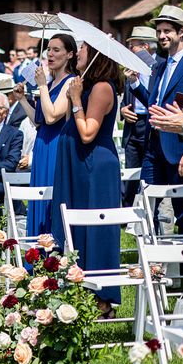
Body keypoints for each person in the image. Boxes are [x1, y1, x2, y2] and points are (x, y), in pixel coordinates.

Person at [50, 42, 123, 316]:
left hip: (96, 168)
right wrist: (72, 98)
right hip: (79, 166)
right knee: (77, 229)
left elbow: (88, 133)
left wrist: (78, 99)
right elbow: (71, 121)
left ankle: (102, 299)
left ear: (95, 56)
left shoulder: (103, 87)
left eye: (82, 49)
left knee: (96, 230)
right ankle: (80, 287)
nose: (78, 53)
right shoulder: (85, 85)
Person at [124, 5, 183, 276]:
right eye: (159, 31)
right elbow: (154, 102)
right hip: (153, 146)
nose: (162, 35)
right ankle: (152, 263)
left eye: (168, 31)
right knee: (147, 204)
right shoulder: (159, 64)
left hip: (180, 147)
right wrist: (134, 86)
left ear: (181, 32)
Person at [13, 34, 77, 237]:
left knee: (51, 199)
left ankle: (53, 255)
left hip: (56, 146)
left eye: (56, 50)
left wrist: (41, 85)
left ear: (70, 54)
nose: (50, 54)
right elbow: (39, 120)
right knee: (38, 199)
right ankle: (36, 254)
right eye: (49, 49)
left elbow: (52, 117)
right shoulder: (49, 84)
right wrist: (22, 100)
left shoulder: (70, 81)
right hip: (41, 144)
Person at [121, 26, 157, 206]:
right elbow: (124, 97)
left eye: (133, 46)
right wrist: (122, 110)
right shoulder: (130, 69)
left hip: (150, 124)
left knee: (149, 173)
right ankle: (126, 212)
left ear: (145, 47)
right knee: (130, 172)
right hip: (132, 123)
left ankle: (149, 212)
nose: (130, 50)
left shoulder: (159, 68)